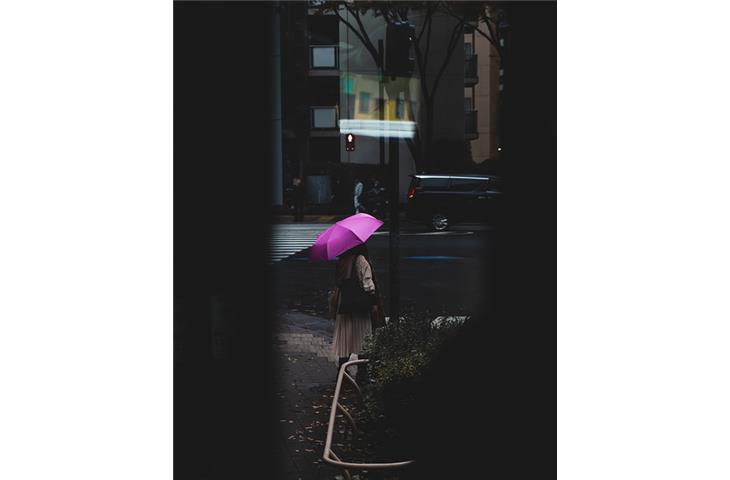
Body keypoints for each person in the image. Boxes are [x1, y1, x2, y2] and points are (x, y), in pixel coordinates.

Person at [330, 243, 384, 379]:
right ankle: (363, 374)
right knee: (363, 339)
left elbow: (338, 283)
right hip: (360, 306)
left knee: (345, 340)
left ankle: (342, 372)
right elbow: (368, 285)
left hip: (344, 305)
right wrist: (374, 302)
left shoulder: (343, 260)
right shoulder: (360, 260)